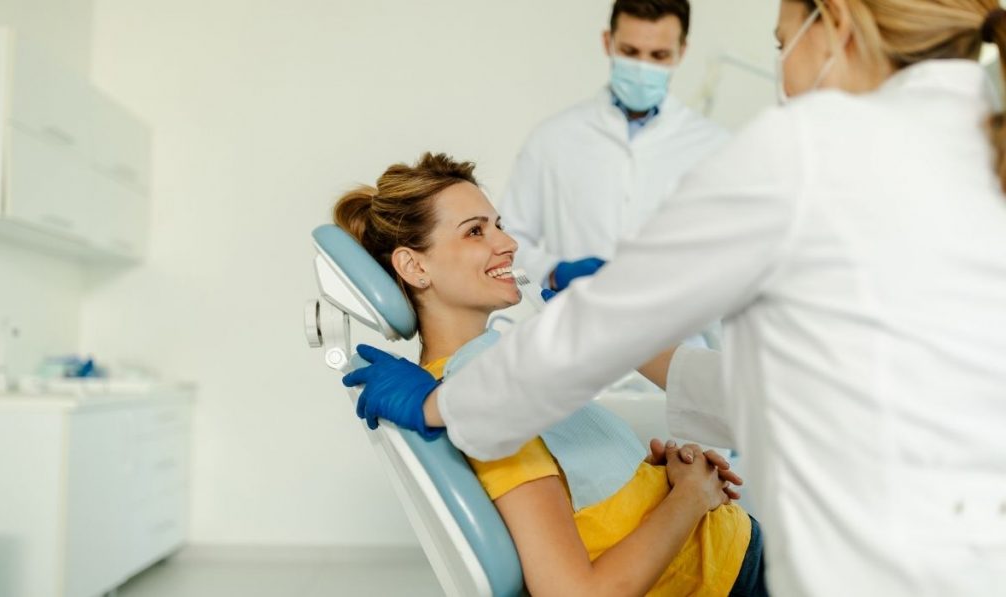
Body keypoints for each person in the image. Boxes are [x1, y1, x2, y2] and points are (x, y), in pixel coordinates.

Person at [346, 1, 1006, 595]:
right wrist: (676, 485)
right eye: (476, 230)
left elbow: (605, 329)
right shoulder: (972, 137)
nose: (507, 244)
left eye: (783, 42)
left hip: (890, 553)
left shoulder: (810, 149)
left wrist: (443, 401)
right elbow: (836, 378)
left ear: (831, 22)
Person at [337, 152, 767, 596]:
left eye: (497, 224)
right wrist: (690, 496)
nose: (508, 243)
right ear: (414, 266)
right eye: (475, 231)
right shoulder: (482, 377)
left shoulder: (493, 371)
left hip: (735, 559)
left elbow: (576, 487)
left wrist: (653, 480)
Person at [501, 0, 728, 297]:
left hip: (675, 333)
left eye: (658, 55)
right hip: (572, 326)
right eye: (630, 52)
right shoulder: (552, 138)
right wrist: (553, 272)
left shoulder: (716, 147)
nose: (643, 68)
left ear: (681, 52)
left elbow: (733, 259)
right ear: (607, 42)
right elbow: (504, 246)